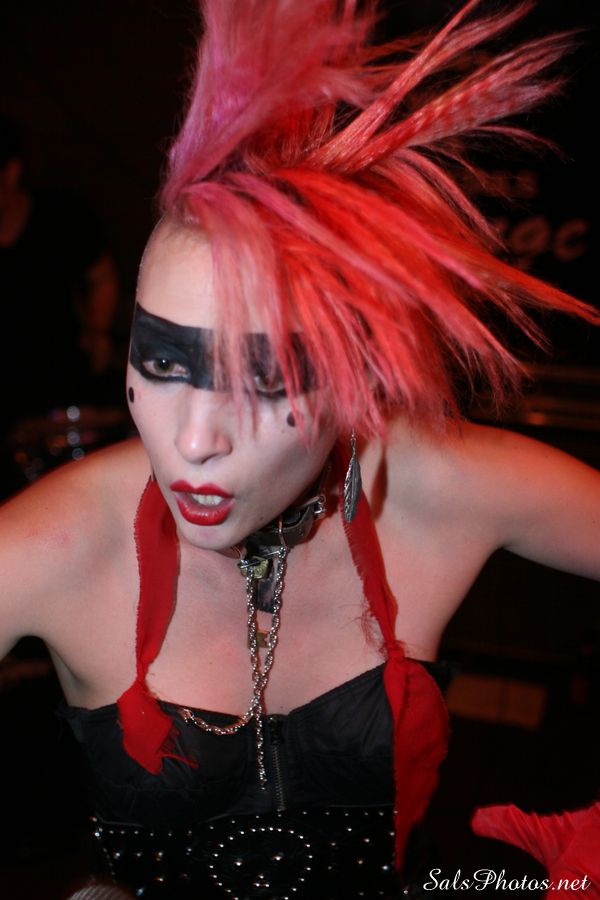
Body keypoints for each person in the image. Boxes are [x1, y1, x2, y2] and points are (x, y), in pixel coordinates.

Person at [1, 1, 599, 898]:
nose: (194, 439)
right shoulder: (55, 542)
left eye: (269, 381)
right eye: (162, 363)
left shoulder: (432, 483)